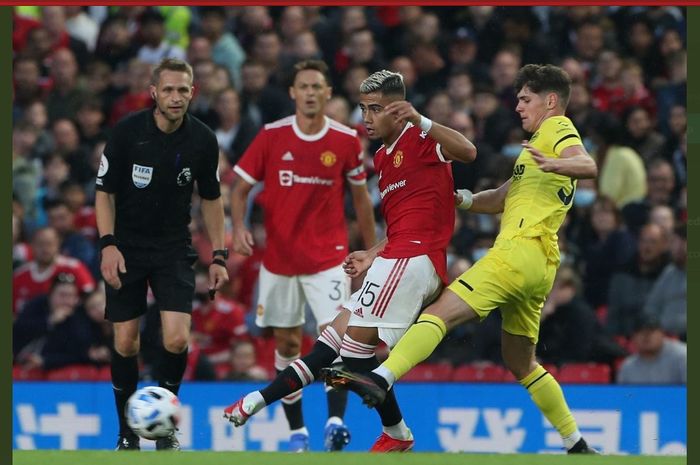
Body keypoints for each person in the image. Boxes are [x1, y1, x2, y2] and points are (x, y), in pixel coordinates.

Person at [324, 64, 601, 455]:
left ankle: (381, 377)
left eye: (525, 99)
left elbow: (587, 165)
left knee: (440, 314)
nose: (519, 106)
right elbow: (504, 196)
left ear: (550, 100)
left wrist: (560, 164)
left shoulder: (557, 129)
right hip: (541, 266)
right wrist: (465, 200)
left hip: (516, 252)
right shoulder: (535, 149)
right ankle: (576, 443)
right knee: (521, 362)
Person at [224, 68, 476, 452]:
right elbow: (399, 223)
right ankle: (256, 402)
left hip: (415, 258)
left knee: (348, 359)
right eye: (363, 109)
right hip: (392, 256)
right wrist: (370, 253)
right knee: (331, 349)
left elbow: (469, 152)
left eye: (375, 109)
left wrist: (421, 120)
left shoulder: (421, 137)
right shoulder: (382, 156)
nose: (367, 118)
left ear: (398, 110)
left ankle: (394, 432)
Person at [225, 59, 377, 452]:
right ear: (293, 93)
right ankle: (297, 433)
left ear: (328, 93)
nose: (310, 93)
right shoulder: (271, 136)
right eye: (304, 86)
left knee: (336, 343)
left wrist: (371, 250)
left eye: (317, 87)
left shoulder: (345, 140)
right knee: (288, 345)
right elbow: (238, 188)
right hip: (279, 262)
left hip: (329, 260)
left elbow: (361, 200)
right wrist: (238, 226)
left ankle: (335, 421)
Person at [95, 58, 228, 451]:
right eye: (168, 89)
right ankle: (126, 433)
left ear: (193, 92)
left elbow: (211, 199)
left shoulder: (202, 139)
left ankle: (165, 427)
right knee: (126, 343)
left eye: (182, 90)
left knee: (175, 338)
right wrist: (108, 245)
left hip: (173, 248)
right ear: (153, 92)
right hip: (127, 247)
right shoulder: (127, 133)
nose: (175, 97)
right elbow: (105, 192)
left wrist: (218, 255)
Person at [616, 314, 686, 385]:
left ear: (662, 333)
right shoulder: (628, 367)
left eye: (651, 331)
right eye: (641, 332)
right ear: (633, 337)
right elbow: (623, 395)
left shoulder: (682, 356)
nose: (646, 336)